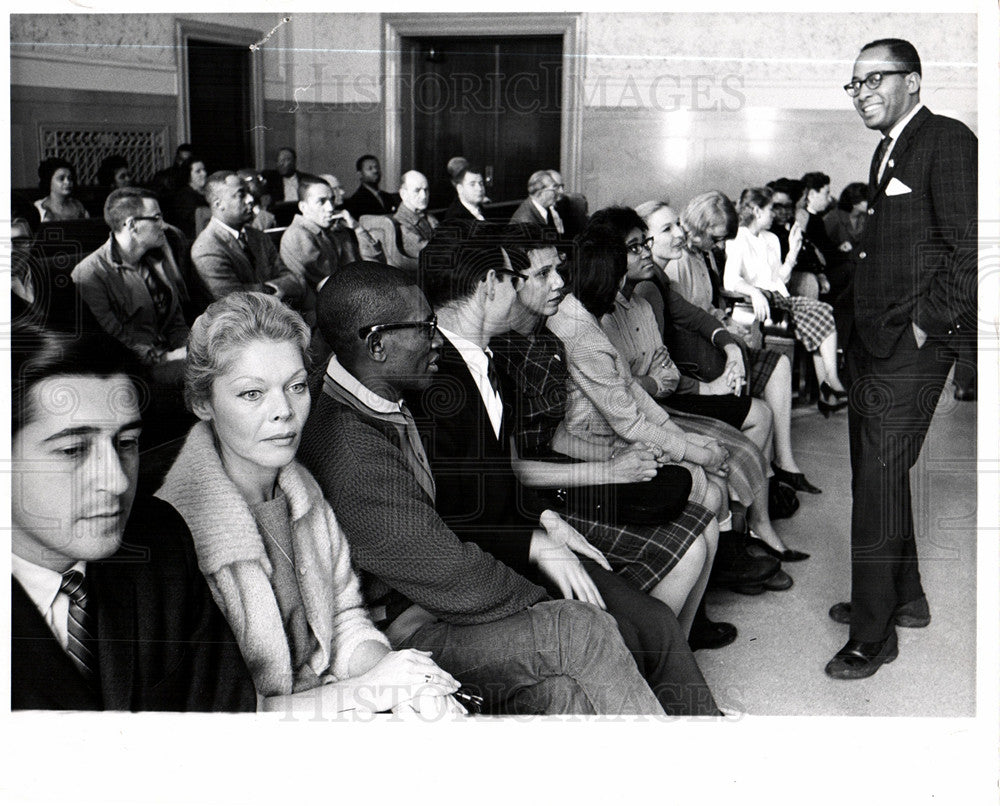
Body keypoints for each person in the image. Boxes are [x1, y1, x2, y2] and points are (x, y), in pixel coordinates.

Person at [299, 262, 675, 714]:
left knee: (568, 694)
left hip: (435, 600)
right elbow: (448, 574)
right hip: (403, 629)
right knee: (580, 627)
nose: (438, 339)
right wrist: (543, 596)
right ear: (377, 343)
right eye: (425, 328)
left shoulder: (372, 386)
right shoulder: (351, 449)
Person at [404, 223, 722, 715]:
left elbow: (503, 473)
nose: (554, 285)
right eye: (523, 277)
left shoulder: (486, 361)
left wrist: (547, 522)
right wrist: (540, 535)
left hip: (523, 524)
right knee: (624, 629)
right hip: (487, 556)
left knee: (655, 622)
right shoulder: (436, 375)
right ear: (492, 284)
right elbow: (456, 508)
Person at [157, 292, 464, 715]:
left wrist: (401, 677)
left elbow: (343, 621)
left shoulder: (302, 487)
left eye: (297, 386)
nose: (283, 411)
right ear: (203, 403)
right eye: (252, 394)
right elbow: (223, 713)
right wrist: (369, 692)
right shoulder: (175, 535)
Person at [490, 234, 743, 650]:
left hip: (570, 466)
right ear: (510, 283)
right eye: (544, 274)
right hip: (537, 495)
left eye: (560, 272)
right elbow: (514, 466)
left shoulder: (548, 340)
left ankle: (676, 650)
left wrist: (623, 457)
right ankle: (659, 658)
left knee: (700, 522)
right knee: (693, 538)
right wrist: (611, 467)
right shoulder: (505, 352)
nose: (559, 283)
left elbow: (559, 433)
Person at [825, 38, 977, 680]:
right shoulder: (887, 147)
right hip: (874, 339)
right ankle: (902, 597)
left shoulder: (948, 139)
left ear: (913, 81)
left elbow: (973, 247)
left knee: (879, 483)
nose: (862, 92)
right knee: (873, 475)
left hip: (911, 343)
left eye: (874, 79)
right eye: (854, 84)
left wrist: (925, 326)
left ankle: (873, 634)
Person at [11, 323, 256, 711]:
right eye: (73, 450)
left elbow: (227, 713)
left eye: (126, 443)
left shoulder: (159, 539)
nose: (117, 480)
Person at [642, 197, 820, 496]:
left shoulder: (690, 262)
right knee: (751, 392)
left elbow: (701, 311)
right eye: (716, 237)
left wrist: (728, 333)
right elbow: (675, 337)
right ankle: (762, 481)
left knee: (773, 363)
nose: (679, 234)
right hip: (685, 370)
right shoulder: (664, 274)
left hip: (693, 357)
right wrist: (727, 346)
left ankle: (781, 463)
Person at [725, 186, 850, 416]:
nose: (775, 213)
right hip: (758, 304)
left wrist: (792, 253)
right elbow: (730, 280)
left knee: (823, 314)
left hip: (778, 299)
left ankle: (828, 386)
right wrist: (754, 292)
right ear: (756, 210)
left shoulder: (771, 238)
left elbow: (779, 279)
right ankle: (830, 384)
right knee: (822, 313)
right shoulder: (737, 239)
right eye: (771, 208)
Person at [72, 187, 190, 387]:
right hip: (134, 370)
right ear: (132, 225)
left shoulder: (156, 259)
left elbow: (176, 323)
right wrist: (167, 357)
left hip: (174, 358)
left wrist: (191, 348)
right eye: (157, 218)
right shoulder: (90, 274)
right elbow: (115, 341)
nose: (164, 225)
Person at [191, 171, 303, 305]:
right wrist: (274, 288)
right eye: (241, 195)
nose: (250, 199)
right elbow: (233, 301)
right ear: (218, 204)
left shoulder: (259, 237)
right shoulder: (207, 248)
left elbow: (295, 281)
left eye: (249, 193)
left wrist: (254, 289)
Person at [393, 170, 438, 258]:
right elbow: (426, 252)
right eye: (417, 191)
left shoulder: (426, 215)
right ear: (403, 194)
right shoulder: (401, 222)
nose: (424, 196)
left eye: (426, 190)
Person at [166, 155, 209, 240]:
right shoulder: (184, 196)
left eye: (204, 170)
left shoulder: (207, 192)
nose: (204, 174)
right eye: (198, 171)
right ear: (188, 175)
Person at [509, 170, 564, 234]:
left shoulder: (544, 210)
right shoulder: (526, 222)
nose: (557, 193)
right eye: (554, 189)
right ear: (541, 192)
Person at [35, 157, 88, 221]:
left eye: (70, 178)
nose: (67, 182)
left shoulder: (79, 207)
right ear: (49, 181)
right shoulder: (38, 209)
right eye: (61, 179)